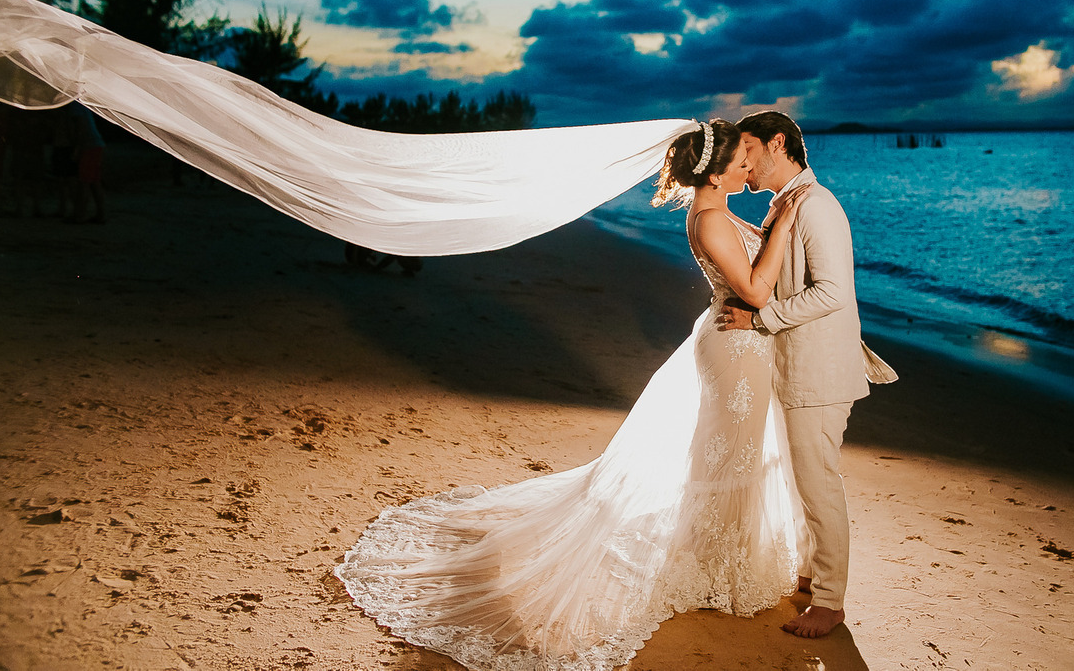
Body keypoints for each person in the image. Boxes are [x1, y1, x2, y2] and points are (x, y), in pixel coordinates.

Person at [335, 119, 811, 671]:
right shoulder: (710, 220)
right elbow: (753, 290)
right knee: (730, 456)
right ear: (714, 170)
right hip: (734, 349)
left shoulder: (719, 214)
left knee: (733, 455)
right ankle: (712, 564)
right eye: (740, 162)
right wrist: (783, 225)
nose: (749, 169)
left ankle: (721, 556)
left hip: (742, 345)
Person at [720, 110, 870, 639]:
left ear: (777, 143)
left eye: (748, 149)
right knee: (804, 482)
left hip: (819, 370)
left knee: (818, 483)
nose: (743, 161)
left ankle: (830, 603)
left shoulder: (817, 205)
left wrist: (762, 318)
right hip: (792, 366)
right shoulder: (787, 205)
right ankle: (811, 577)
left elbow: (833, 292)